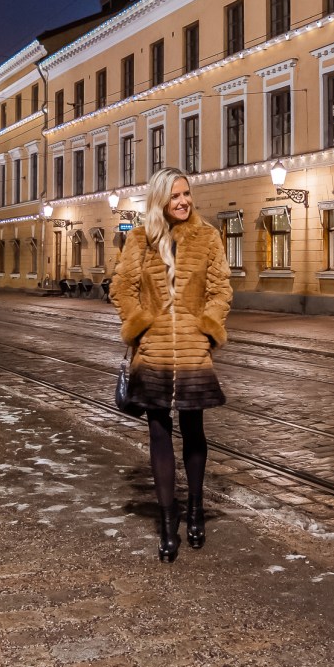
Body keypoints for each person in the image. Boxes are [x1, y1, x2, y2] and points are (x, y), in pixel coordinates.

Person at [110, 167, 232, 562]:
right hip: (154, 351)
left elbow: (220, 289)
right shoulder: (140, 239)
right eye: (175, 196)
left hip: (194, 349)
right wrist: (139, 324)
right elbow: (122, 288)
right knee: (159, 434)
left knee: (194, 431)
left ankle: (195, 507)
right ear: (160, 200)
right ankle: (168, 519)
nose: (183, 201)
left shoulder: (209, 237)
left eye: (187, 194)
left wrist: (208, 327)